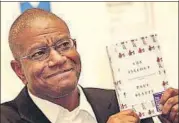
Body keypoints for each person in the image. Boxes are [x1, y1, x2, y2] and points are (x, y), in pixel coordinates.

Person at [1, 8, 178, 123]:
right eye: (39, 53)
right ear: (19, 70)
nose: (58, 59)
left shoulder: (123, 103)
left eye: (64, 45)